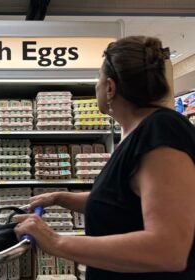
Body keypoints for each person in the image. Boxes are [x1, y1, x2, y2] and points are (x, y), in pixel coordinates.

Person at [14, 36, 195, 280]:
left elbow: (168, 249)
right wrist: (59, 198)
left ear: (110, 87)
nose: (95, 86)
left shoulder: (161, 130)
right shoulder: (140, 133)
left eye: (97, 79)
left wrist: (56, 241)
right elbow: (119, 205)